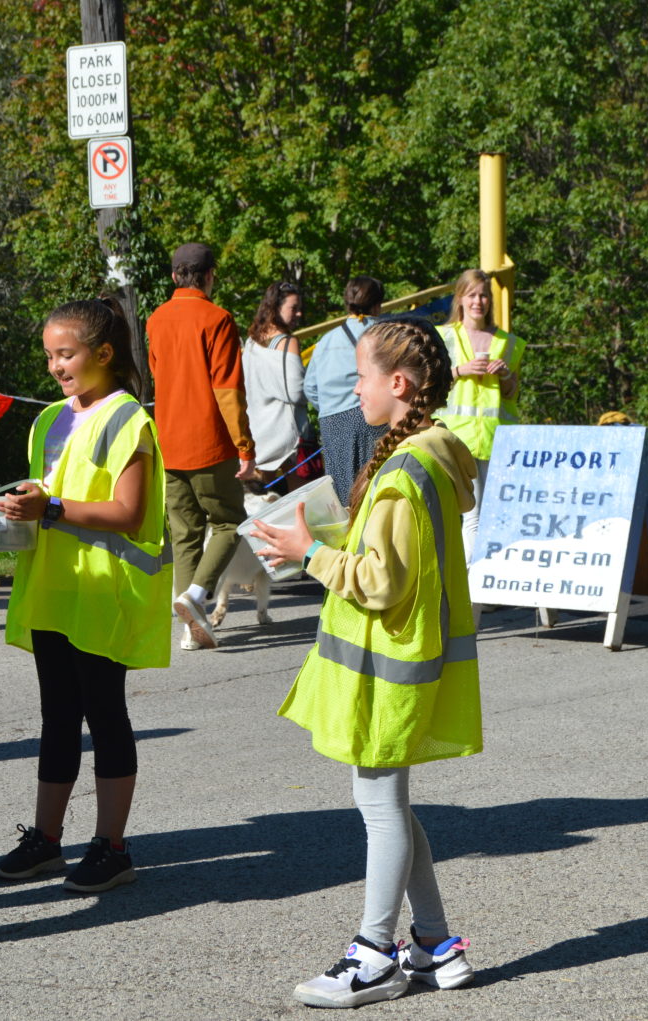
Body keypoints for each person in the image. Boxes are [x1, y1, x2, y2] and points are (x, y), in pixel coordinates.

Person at [250, 317, 481, 1009]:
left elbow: (381, 581)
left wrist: (309, 554)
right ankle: (436, 943)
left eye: (361, 377)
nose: (354, 389)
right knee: (389, 805)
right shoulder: (430, 457)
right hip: (401, 663)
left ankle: (375, 953)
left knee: (379, 807)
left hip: (389, 667)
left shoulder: (404, 470)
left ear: (400, 384)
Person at [0, 296, 170, 892]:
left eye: (65, 354)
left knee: (105, 714)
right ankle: (45, 840)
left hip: (102, 594)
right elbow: (50, 488)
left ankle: (112, 846)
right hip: (54, 588)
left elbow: (128, 511)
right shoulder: (50, 419)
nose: (54, 366)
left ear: (104, 353)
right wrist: (22, 501)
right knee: (58, 716)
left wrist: (55, 507)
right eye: (48, 355)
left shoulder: (128, 419)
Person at [145, 242, 256, 651]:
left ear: (175, 276)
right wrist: (244, 445)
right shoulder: (218, 319)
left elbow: (158, 373)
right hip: (210, 443)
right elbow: (227, 390)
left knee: (185, 535)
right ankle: (195, 596)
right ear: (210, 275)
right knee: (229, 523)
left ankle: (190, 632)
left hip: (169, 441)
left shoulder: (156, 320)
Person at [437, 268, 526, 560]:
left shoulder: (507, 342)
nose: (479, 301)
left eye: (484, 295)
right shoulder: (443, 336)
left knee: (490, 514)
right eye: (472, 294)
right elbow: (428, 382)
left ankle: (480, 586)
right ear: (459, 299)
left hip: (495, 440)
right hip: (453, 438)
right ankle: (474, 591)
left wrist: (505, 376)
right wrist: (459, 371)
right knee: (469, 516)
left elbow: (513, 393)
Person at [304, 276, 387, 506]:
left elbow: (309, 387)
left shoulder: (327, 339)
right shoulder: (382, 334)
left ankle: (346, 540)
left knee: (343, 494)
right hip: (369, 418)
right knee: (372, 486)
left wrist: (331, 406)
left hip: (332, 422)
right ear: (377, 304)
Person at [243, 281, 311, 493]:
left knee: (267, 499)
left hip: (259, 430)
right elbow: (297, 391)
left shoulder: (252, 341)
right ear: (275, 308)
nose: (298, 313)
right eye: (293, 308)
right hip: (287, 434)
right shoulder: (287, 342)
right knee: (302, 497)